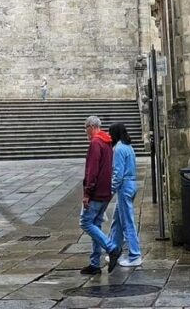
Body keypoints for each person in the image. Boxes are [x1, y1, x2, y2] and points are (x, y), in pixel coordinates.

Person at [78, 114, 120, 275]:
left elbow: (92, 170)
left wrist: (87, 192)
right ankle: (95, 263)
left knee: (85, 222)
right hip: (105, 191)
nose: (86, 133)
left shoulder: (96, 143)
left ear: (92, 127)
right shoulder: (107, 142)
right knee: (96, 224)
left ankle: (111, 248)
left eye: (86, 129)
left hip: (95, 192)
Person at [109, 122, 143, 267]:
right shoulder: (128, 147)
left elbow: (118, 173)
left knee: (127, 222)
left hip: (124, 187)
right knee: (117, 219)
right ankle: (114, 249)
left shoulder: (118, 149)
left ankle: (135, 255)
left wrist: (111, 190)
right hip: (132, 184)